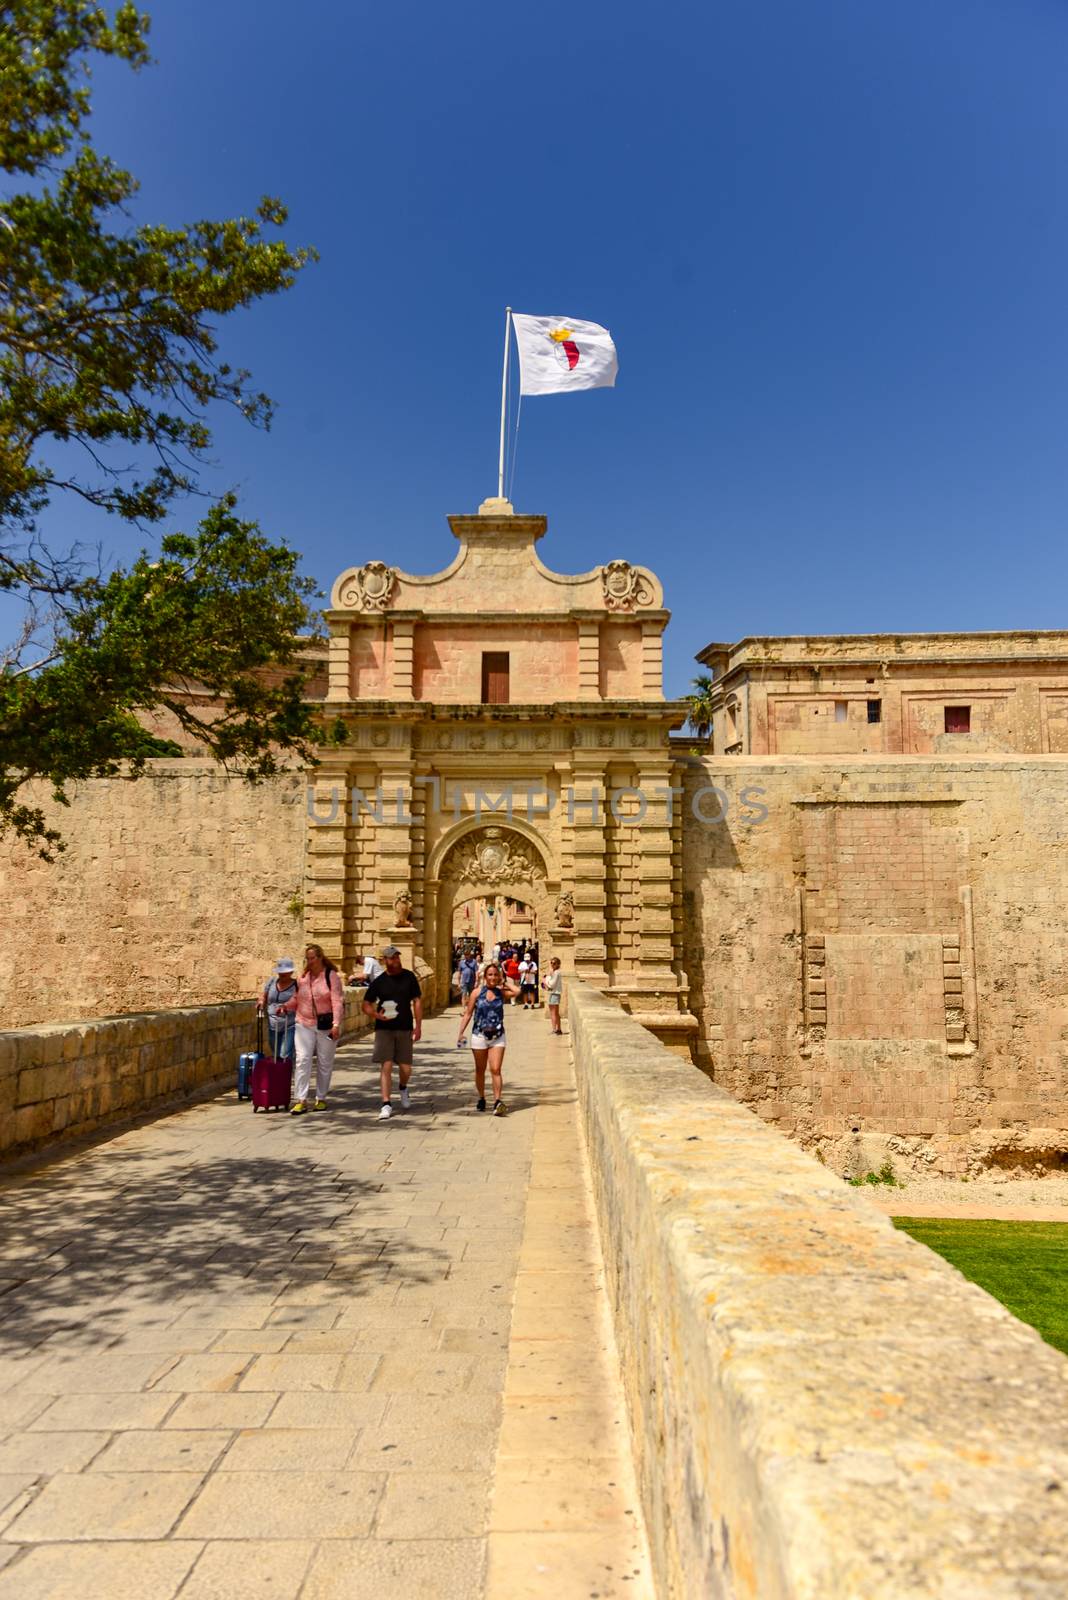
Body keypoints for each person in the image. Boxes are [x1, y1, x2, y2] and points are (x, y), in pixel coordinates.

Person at [362, 945, 423, 1120]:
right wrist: (375, 1015)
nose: (395, 960)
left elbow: (417, 1001)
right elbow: (366, 1004)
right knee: (386, 1065)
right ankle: (386, 1103)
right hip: (384, 1029)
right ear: (385, 961)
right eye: (391, 958)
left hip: (404, 1026)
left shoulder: (409, 977)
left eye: (397, 957)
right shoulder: (379, 982)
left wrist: (418, 1026)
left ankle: (403, 1087)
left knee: (406, 1068)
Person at [457, 961, 520, 1115]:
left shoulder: (501, 992)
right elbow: (468, 1013)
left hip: (498, 1036)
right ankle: (481, 1097)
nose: (492, 977)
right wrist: (460, 1032)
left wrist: (504, 981)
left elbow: (517, 991)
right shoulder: (476, 993)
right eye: (490, 974)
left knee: (495, 1069)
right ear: (485, 976)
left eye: (495, 975)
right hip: (479, 1035)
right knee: (480, 1069)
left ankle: (498, 1101)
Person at [290, 945, 343, 1116]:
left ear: (320, 958)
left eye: (313, 958)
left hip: (325, 1025)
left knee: (324, 1061)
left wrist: (336, 1024)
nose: (310, 962)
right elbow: (296, 998)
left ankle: (321, 1098)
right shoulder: (303, 978)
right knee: (302, 1059)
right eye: (308, 958)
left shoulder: (331, 976)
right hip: (303, 1022)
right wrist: (285, 1006)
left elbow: (337, 1001)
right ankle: (301, 1099)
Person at [258, 958, 298, 1062]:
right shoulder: (272, 981)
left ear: (291, 972)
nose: (282, 974)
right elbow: (264, 994)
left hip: (289, 1024)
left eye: (285, 972)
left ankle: (285, 1076)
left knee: (284, 1054)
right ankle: (278, 1076)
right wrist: (261, 1001)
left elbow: (298, 1000)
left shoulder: (297, 985)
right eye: (280, 972)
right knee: (275, 1055)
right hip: (273, 1024)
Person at [543, 957, 564, 1034]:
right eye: (551, 963)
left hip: (554, 993)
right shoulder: (555, 972)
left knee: (553, 1013)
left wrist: (545, 981)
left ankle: (555, 1029)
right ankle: (558, 1029)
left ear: (558, 964)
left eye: (554, 963)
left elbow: (551, 984)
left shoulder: (556, 973)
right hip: (553, 993)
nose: (552, 964)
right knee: (555, 1013)